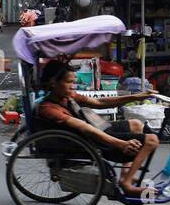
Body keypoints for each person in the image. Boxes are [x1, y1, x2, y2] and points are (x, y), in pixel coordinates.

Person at [34, 59, 160, 196]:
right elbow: (83, 127)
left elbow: (99, 102)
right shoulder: (48, 108)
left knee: (136, 124)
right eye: (69, 82)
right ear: (53, 83)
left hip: (96, 129)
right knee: (152, 140)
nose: (72, 86)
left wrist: (136, 96)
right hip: (93, 141)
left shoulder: (67, 96)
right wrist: (121, 144)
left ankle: (126, 175)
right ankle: (127, 184)